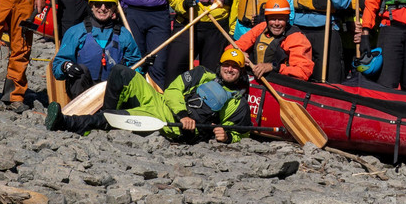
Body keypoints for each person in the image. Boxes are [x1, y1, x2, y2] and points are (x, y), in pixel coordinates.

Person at [46, 46, 252, 143]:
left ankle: (66, 122)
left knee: (114, 118)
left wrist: (226, 137)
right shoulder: (202, 74)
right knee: (120, 72)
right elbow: (172, 91)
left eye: (235, 67)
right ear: (220, 65)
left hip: (173, 128)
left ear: (241, 71)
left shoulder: (238, 102)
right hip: (163, 105)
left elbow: (242, 132)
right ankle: (109, 118)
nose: (230, 69)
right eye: (227, 64)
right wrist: (183, 114)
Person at [52, 0, 141, 98]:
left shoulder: (124, 35)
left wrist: (144, 66)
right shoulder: (76, 32)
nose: (102, 8)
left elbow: (135, 64)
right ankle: (81, 113)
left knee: (121, 71)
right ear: (91, 6)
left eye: (108, 5)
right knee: (81, 70)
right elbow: (57, 67)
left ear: (114, 7)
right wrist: (66, 66)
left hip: (113, 93)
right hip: (83, 93)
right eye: (98, 4)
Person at [234, 0, 313, 81]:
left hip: (280, 84)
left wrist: (273, 66)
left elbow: (303, 72)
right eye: (272, 19)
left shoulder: (296, 38)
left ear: (287, 19)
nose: (276, 23)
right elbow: (233, 47)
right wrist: (238, 54)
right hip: (255, 81)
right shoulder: (261, 27)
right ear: (267, 19)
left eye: (281, 19)